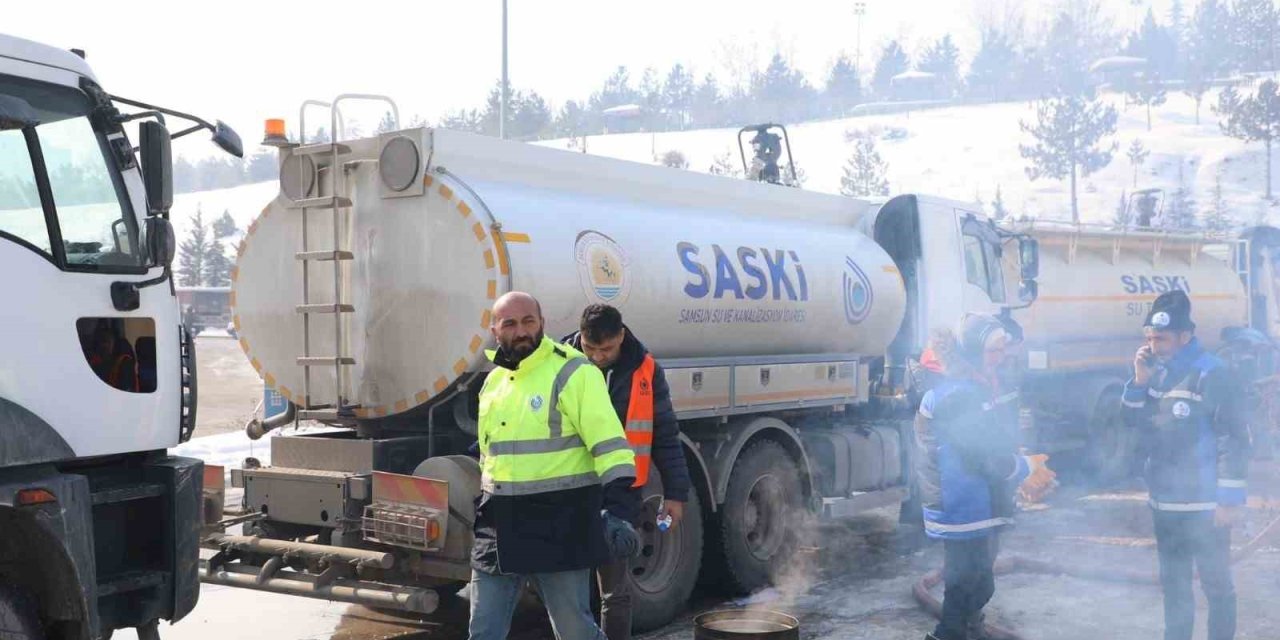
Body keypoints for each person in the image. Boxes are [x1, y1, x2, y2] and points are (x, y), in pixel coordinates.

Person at [469, 292, 640, 640]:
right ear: (494, 330)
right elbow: (490, 456)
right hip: (498, 527)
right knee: (484, 630)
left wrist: (619, 511)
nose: (521, 331)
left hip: (560, 524)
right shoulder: (493, 383)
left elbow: (611, 448)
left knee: (575, 632)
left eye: (529, 321)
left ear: (542, 323)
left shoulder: (575, 372)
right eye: (510, 324)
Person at [1122, 290, 1249, 640]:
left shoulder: (1213, 373)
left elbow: (1234, 438)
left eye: (1160, 338)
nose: (1153, 344)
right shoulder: (1155, 373)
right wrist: (1139, 381)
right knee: (1175, 587)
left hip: (1206, 505)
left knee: (1216, 585)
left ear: (1185, 336)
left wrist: (1228, 500)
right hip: (1166, 504)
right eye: (1149, 338)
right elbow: (1133, 424)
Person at [562, 304, 692, 640]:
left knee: (614, 591)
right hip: (568, 490)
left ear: (621, 335)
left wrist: (676, 494)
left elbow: (664, 434)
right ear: (580, 337)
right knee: (569, 591)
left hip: (620, 494)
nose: (597, 357)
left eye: (605, 349)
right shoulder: (561, 362)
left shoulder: (646, 370)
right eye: (590, 348)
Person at [916, 315, 1039, 640]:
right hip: (960, 504)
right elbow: (979, 454)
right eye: (994, 350)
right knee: (965, 583)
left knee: (979, 582)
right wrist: (1023, 468)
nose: (1002, 357)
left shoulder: (979, 385)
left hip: (979, 502)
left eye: (1003, 349)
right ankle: (949, 635)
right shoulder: (956, 395)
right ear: (972, 353)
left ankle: (968, 629)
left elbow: (996, 439)